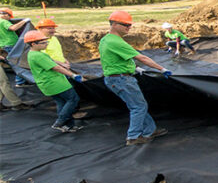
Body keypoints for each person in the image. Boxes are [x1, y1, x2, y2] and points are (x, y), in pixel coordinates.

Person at [99, 11, 173, 146]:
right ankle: (133, 137)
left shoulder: (106, 39)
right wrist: (162, 69)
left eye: (130, 25)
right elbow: (142, 58)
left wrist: (134, 68)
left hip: (115, 78)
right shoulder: (116, 42)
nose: (129, 27)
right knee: (138, 107)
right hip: (121, 80)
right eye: (125, 25)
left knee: (138, 105)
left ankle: (150, 130)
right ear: (114, 24)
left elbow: (112, 60)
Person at [23, 30, 84, 132]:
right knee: (73, 99)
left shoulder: (33, 54)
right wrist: (73, 75)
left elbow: (50, 59)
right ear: (33, 44)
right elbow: (56, 68)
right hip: (56, 83)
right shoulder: (38, 56)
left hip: (46, 85)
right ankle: (60, 122)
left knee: (61, 102)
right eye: (43, 42)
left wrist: (62, 63)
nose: (46, 44)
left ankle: (69, 126)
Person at [1, 7, 30, 85]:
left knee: (14, 63)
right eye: (9, 16)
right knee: (18, 63)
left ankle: (21, 81)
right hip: (11, 46)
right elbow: (13, 28)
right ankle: (20, 82)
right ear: (5, 15)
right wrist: (24, 21)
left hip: (4, 46)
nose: (10, 18)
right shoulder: (3, 21)